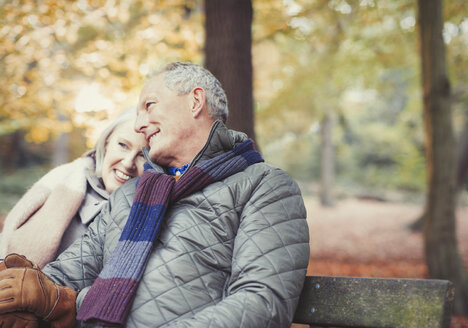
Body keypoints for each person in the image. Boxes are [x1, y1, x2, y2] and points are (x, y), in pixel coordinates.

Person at [0, 62, 310, 328]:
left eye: (149, 105)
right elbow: (70, 272)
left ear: (195, 102)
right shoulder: (130, 195)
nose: (139, 125)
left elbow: (262, 305)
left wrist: (73, 303)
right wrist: (24, 291)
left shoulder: (264, 186)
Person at [0, 107, 148, 268]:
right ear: (106, 143)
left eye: (143, 155)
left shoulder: (145, 216)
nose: (128, 163)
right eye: (123, 145)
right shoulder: (64, 177)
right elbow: (7, 234)